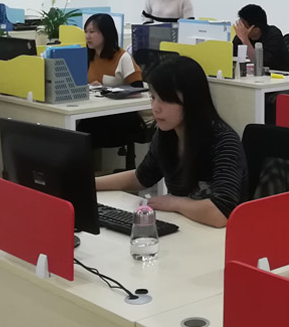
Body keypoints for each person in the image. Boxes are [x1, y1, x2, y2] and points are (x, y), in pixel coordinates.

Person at [95, 57, 248, 228]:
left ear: (191, 101)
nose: (155, 108)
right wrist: (90, 184)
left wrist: (175, 203)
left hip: (222, 236)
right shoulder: (166, 134)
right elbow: (142, 177)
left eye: (165, 100)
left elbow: (221, 213)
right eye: (153, 97)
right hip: (188, 228)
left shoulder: (223, 141)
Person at [85, 13, 142, 87]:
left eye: (91, 32)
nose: (87, 36)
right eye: (86, 32)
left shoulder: (123, 58)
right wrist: (90, 87)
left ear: (105, 32)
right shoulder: (87, 57)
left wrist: (106, 90)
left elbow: (138, 88)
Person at [233, 3, 289, 71]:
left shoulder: (273, 35)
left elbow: (259, 63)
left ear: (256, 30)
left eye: (243, 25)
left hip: (278, 74)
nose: (240, 28)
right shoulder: (240, 38)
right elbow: (233, 58)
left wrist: (245, 39)